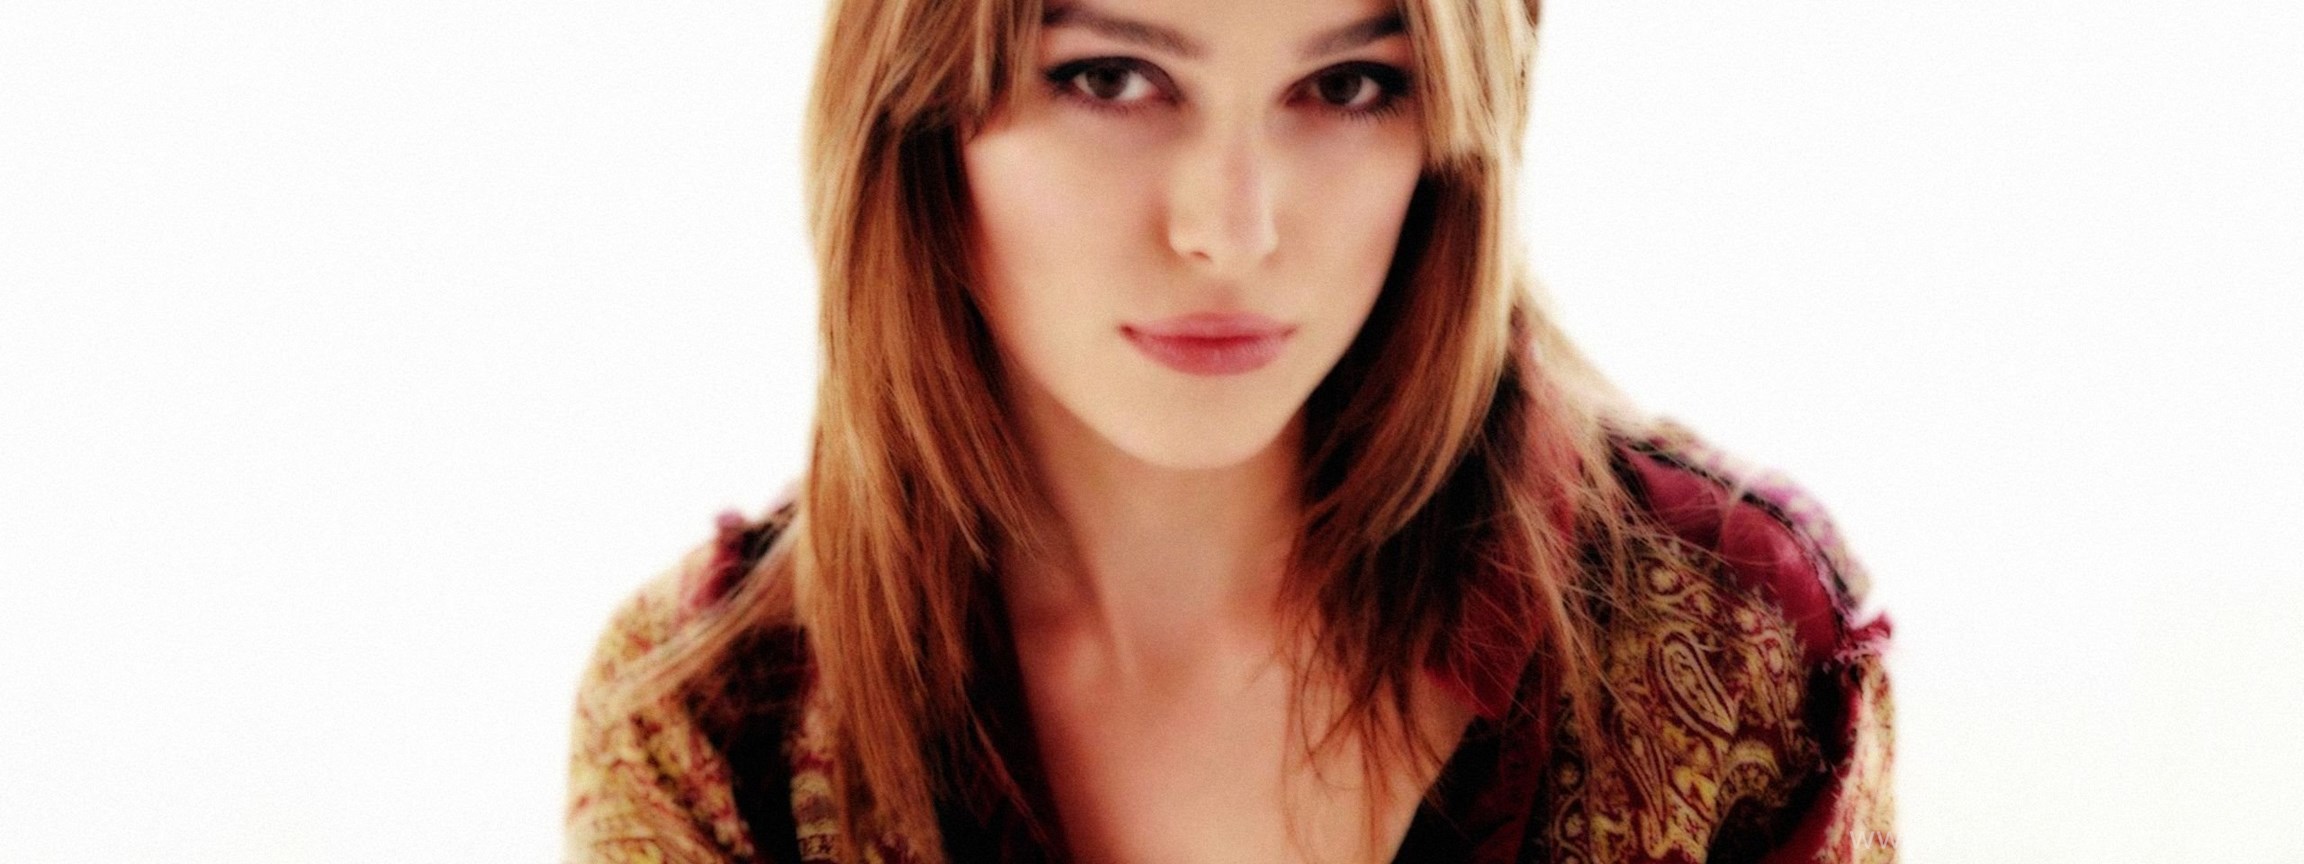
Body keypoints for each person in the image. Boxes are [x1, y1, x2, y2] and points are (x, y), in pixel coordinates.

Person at [565, 0, 1895, 860]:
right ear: (915, 112)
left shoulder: (1733, 638)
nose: (1234, 230)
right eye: (1109, 77)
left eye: (1350, 85)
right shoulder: (715, 722)